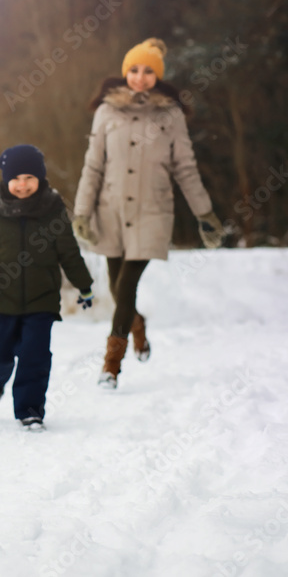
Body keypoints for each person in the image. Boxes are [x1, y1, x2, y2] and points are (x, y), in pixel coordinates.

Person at [72, 38, 223, 389]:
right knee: (116, 288)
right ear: (126, 72)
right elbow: (92, 165)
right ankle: (136, 325)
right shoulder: (106, 112)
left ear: (158, 76)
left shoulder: (170, 115)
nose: (141, 77)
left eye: (149, 71)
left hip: (152, 212)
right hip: (109, 211)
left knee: (125, 287)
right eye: (135, 70)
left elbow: (185, 168)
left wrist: (205, 213)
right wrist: (82, 212)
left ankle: (111, 366)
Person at [0, 144, 94, 431]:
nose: (22, 184)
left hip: (43, 300)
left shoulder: (53, 210)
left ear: (40, 179)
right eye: (15, 178)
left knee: (35, 356)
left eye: (29, 177)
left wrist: (84, 286)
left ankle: (30, 410)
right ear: (6, 180)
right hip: (4, 299)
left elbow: (69, 252)